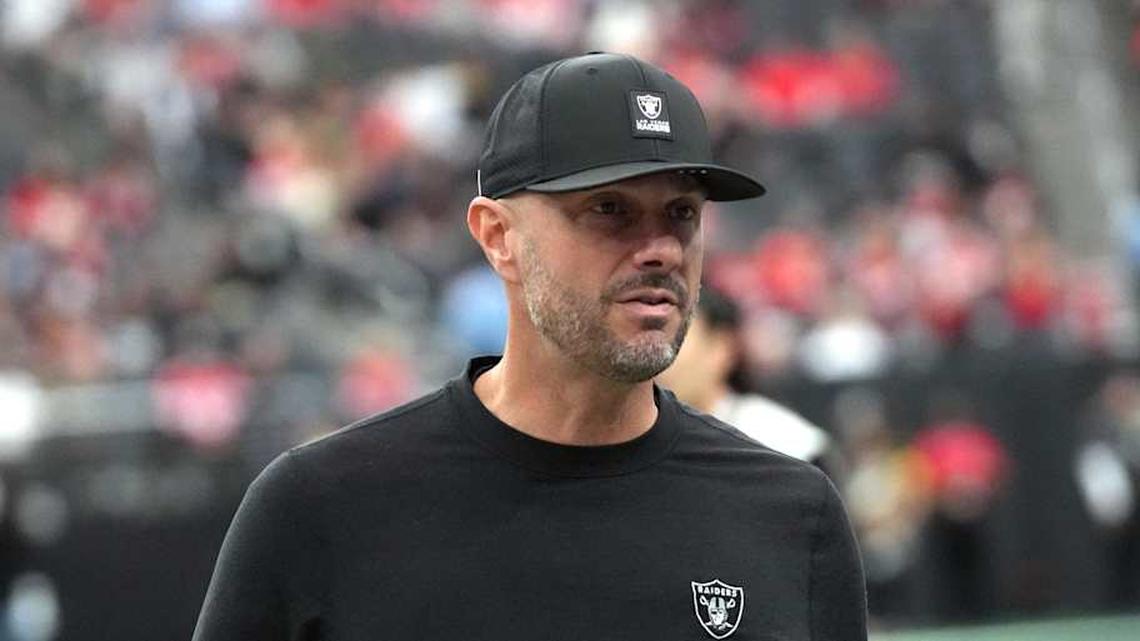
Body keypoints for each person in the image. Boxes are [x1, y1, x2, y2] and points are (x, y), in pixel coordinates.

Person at [193, 52, 867, 641]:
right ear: (498, 236)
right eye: (609, 209)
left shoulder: (789, 512)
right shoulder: (321, 507)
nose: (660, 248)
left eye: (681, 213)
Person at [657, 286, 840, 473]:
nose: (659, 355)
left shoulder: (782, 441)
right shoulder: (643, 440)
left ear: (721, 348)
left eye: (675, 339)